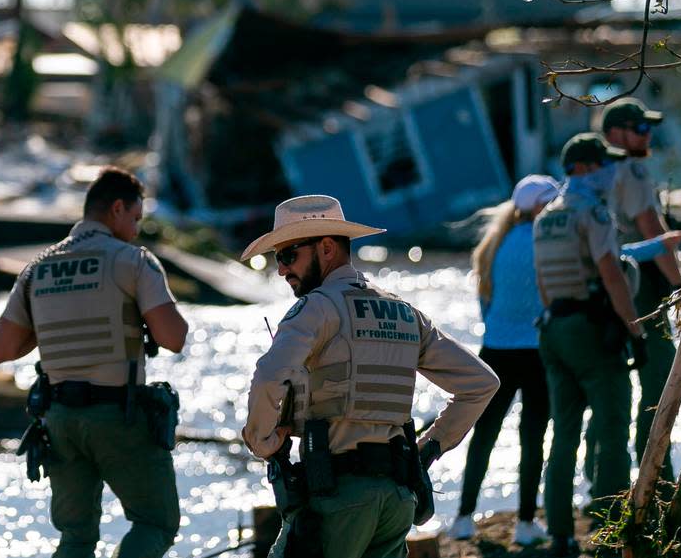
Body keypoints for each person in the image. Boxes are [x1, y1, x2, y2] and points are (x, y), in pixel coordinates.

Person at [241, 195, 499, 558]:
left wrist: (263, 441)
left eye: (287, 255)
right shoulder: (405, 312)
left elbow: (269, 375)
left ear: (327, 248)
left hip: (337, 496)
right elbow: (481, 383)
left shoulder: (317, 308)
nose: (281, 269)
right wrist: (431, 446)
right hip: (398, 500)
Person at [0, 167, 190, 558]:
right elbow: (174, 337)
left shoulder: (39, 267)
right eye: (135, 219)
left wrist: (48, 326)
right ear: (117, 208)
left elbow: (1, 349)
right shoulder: (133, 261)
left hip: (59, 419)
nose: (135, 230)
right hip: (119, 415)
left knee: (77, 537)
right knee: (155, 521)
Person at [533, 133, 645, 558]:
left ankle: (560, 534)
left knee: (563, 433)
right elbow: (612, 275)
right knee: (614, 425)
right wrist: (635, 331)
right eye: (601, 164)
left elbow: (544, 286)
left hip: (553, 329)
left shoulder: (546, 217)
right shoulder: (593, 213)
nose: (608, 172)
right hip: (590, 329)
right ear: (581, 167)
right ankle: (611, 528)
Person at [449, 175, 559, 546]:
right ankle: (527, 523)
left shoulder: (493, 244)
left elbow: (485, 304)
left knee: (484, 436)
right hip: (537, 351)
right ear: (540, 206)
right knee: (533, 438)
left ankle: (463, 518)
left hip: (494, 350)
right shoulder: (548, 241)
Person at [601, 97, 681, 480]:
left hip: (606, 287)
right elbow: (652, 228)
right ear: (615, 134)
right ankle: (658, 474)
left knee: (612, 387)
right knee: (658, 380)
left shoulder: (594, 170)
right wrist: (680, 285)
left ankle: (604, 482)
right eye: (639, 128)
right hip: (641, 290)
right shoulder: (631, 170)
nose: (647, 133)